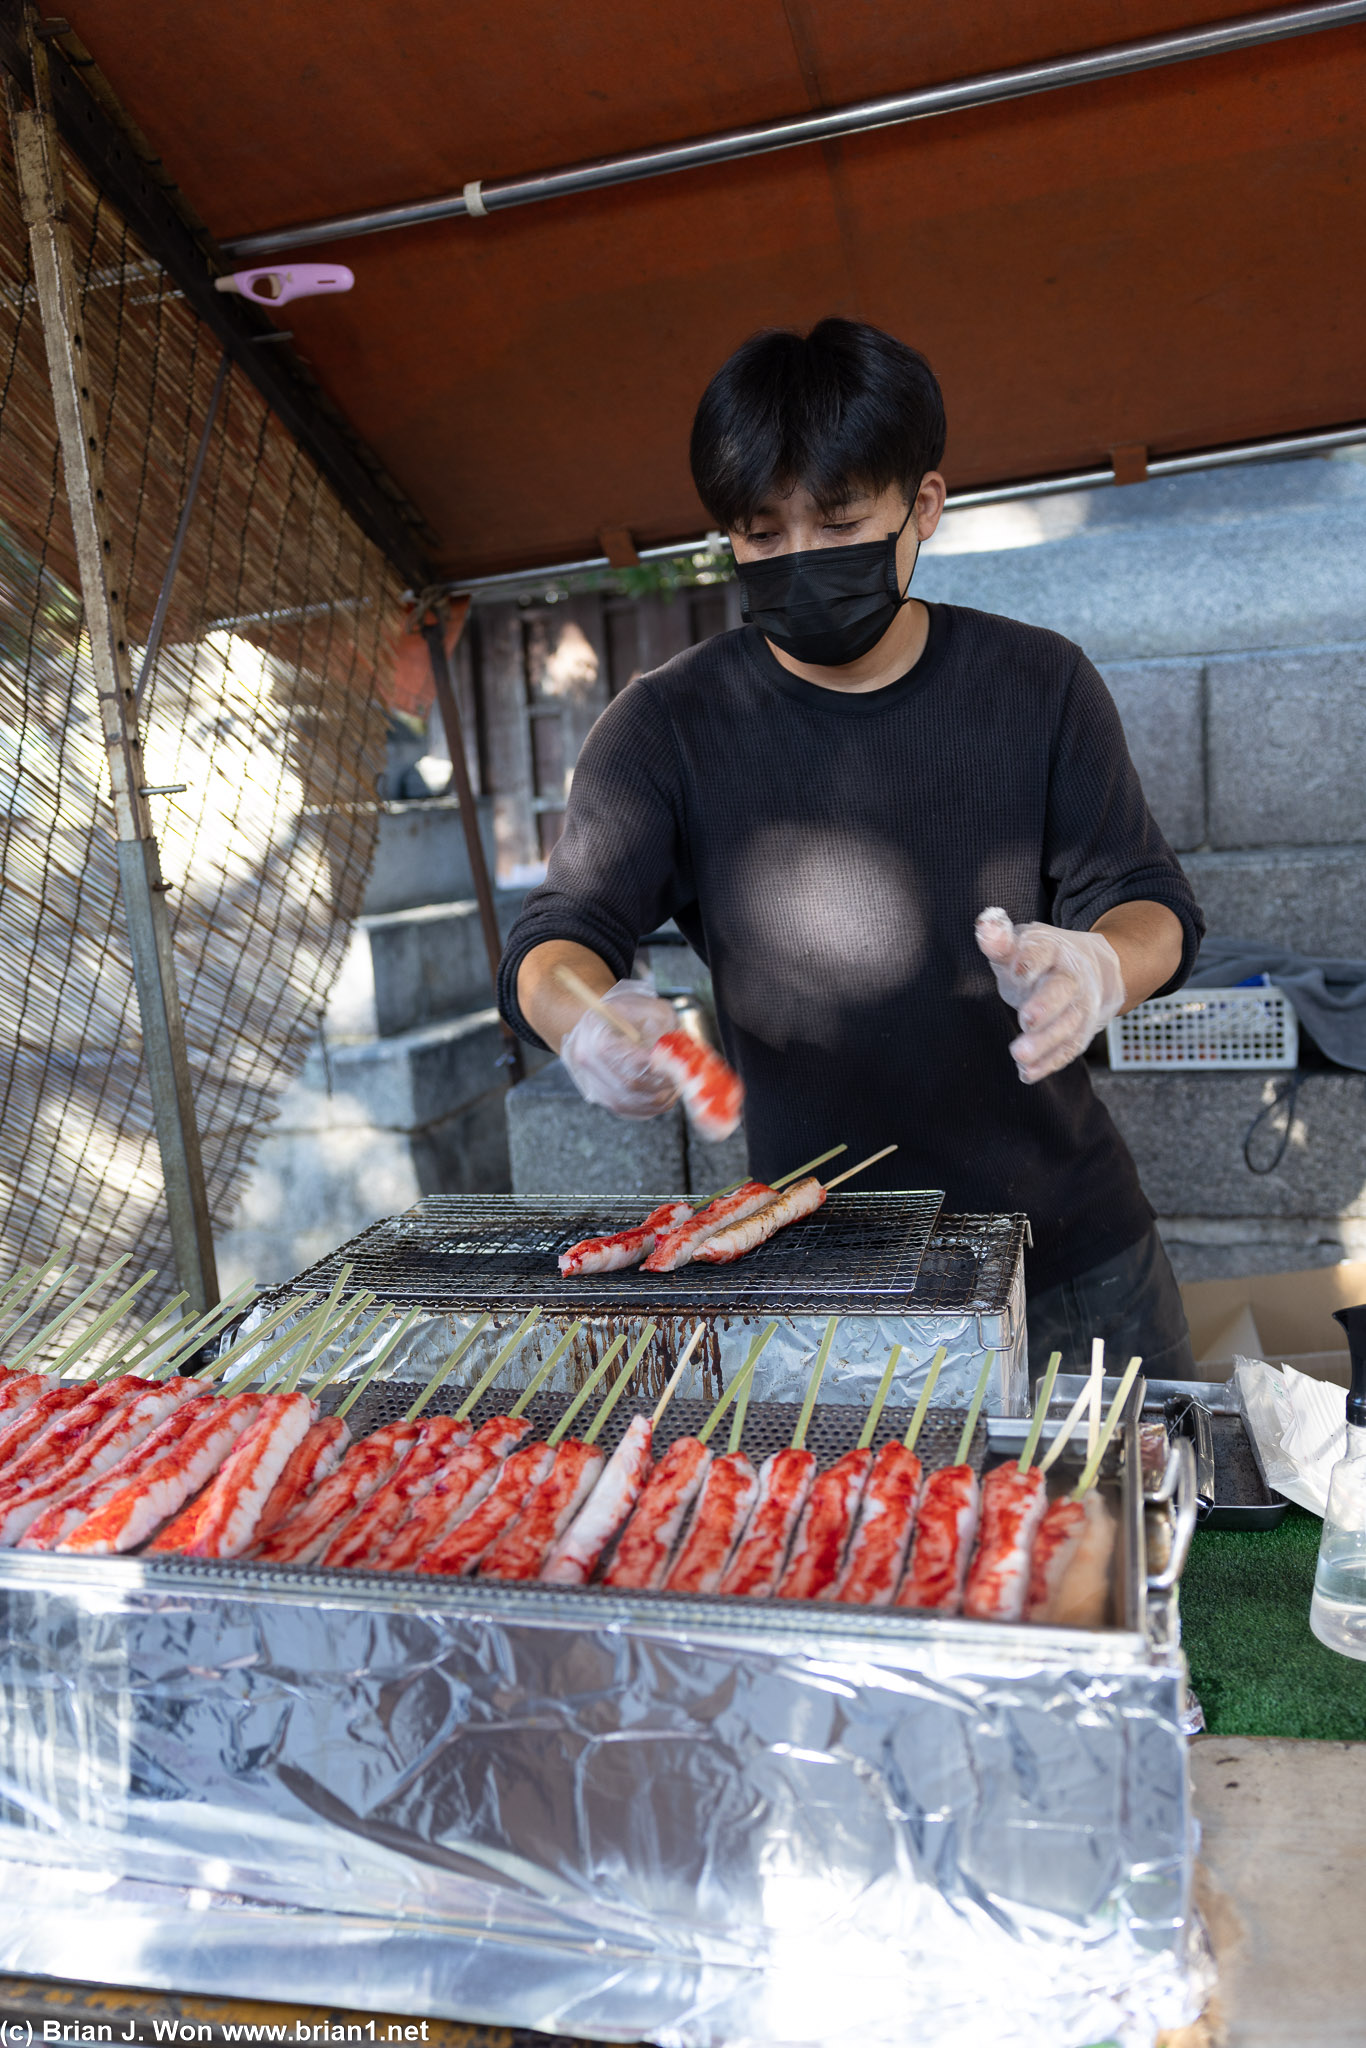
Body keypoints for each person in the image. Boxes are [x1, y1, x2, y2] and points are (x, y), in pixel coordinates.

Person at [497, 319, 1203, 1377]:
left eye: (835, 522)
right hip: (819, 1277)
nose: (797, 561)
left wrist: (1101, 966)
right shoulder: (666, 726)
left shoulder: (1037, 684)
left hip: (1068, 1251)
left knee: (1124, 1533)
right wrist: (583, 1020)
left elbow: (1148, 902)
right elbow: (559, 936)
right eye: (759, 534)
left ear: (922, 504)